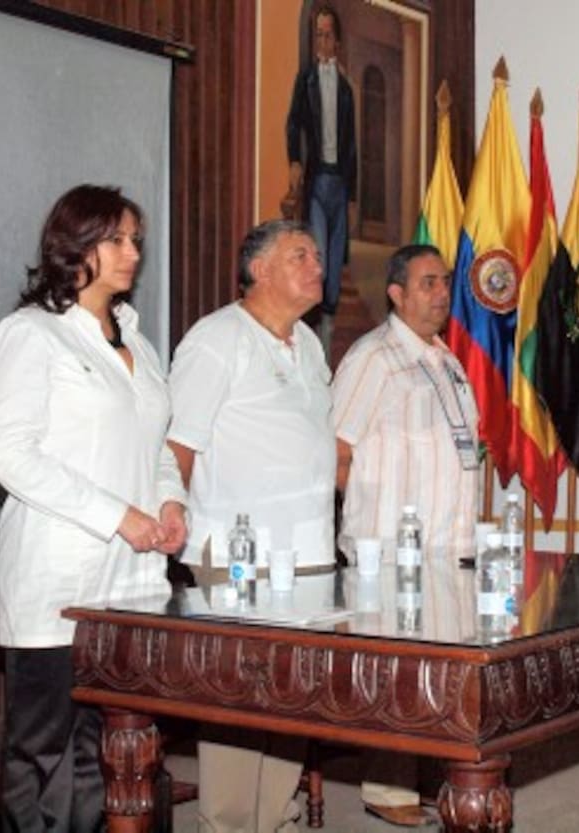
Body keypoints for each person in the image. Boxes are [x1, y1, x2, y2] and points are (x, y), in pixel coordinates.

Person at [0, 185, 187, 832]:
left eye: (136, 240)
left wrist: (169, 502)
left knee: (124, 758)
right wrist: (118, 515)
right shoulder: (32, 333)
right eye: (117, 239)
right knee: (47, 761)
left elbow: (155, 444)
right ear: (75, 244)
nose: (132, 252)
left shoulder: (140, 341)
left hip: (134, 584)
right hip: (58, 582)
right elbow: (9, 455)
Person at [167, 219, 335, 833]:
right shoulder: (216, 340)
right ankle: (230, 825)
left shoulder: (309, 343)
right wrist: (172, 529)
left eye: (317, 254)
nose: (317, 265)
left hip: (308, 555)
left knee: (292, 703)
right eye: (300, 255)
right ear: (259, 270)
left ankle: (277, 821)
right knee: (238, 704)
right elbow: (177, 447)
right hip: (237, 557)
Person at [332, 244, 480, 561]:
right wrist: (373, 506)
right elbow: (334, 452)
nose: (442, 292)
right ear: (398, 295)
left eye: (445, 281)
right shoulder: (374, 357)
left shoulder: (449, 362)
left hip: (451, 554)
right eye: (428, 283)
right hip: (392, 558)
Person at [285, 3, 357, 354]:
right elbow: (293, 123)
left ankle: (326, 336)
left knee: (336, 260)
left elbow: (353, 144)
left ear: (337, 42)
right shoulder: (307, 79)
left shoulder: (345, 87)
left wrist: (353, 195)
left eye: (328, 35)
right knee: (319, 257)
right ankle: (312, 338)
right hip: (316, 182)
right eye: (318, 34)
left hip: (339, 183)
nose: (322, 40)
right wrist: (295, 161)